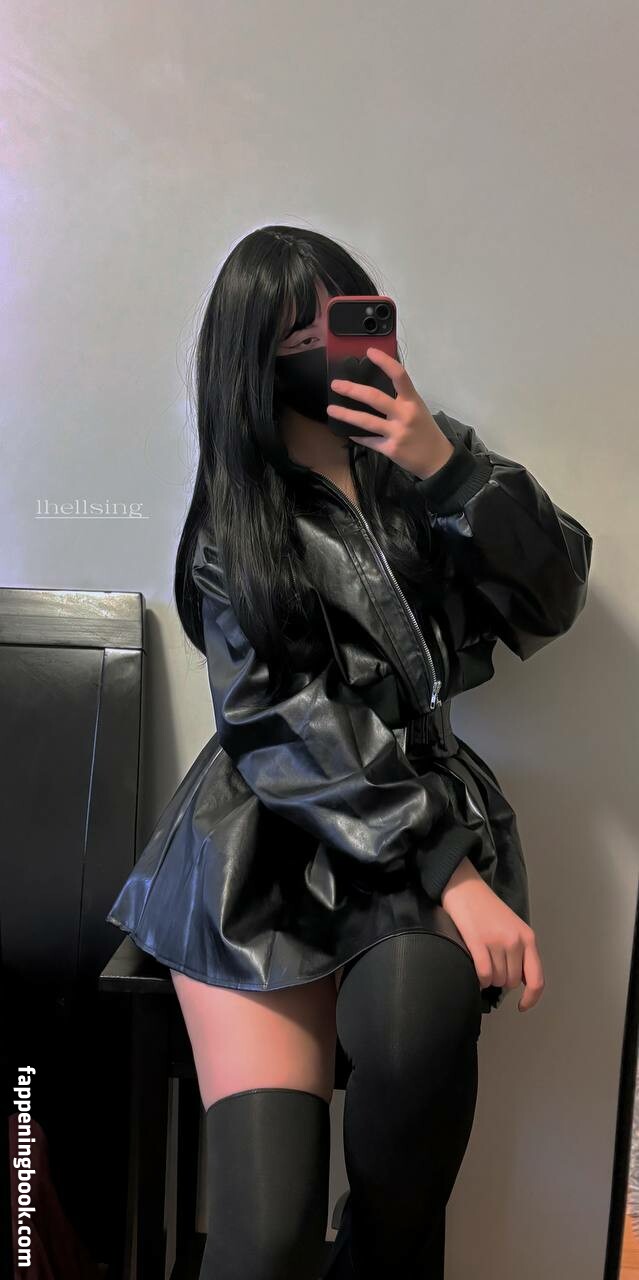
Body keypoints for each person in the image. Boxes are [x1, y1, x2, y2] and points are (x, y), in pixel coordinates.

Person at [105, 225, 593, 1278]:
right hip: (258, 853)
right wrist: (451, 871)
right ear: (254, 358)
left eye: (351, 316)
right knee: (264, 1238)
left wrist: (449, 470)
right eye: (304, 335)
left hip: (409, 814)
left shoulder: (428, 463)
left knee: (415, 1076)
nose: (337, 349)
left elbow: (553, 597)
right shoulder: (235, 520)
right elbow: (281, 719)